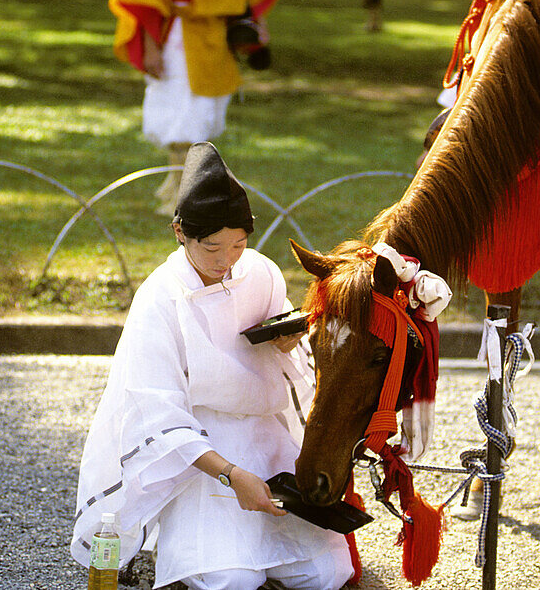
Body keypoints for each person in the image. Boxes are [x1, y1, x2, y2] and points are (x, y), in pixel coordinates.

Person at [72, 142, 354, 590]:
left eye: (239, 244)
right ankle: (166, 546)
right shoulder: (160, 297)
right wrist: (231, 473)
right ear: (180, 232)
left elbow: (292, 362)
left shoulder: (260, 273)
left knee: (327, 574)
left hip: (263, 436)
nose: (226, 261)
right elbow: (156, 409)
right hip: (198, 448)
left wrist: (286, 345)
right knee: (231, 581)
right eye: (212, 247)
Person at [108, 0, 288, 215]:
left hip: (217, 35)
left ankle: (179, 188)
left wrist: (258, 21)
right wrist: (149, 46)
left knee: (206, 115)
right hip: (178, 37)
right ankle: (180, 196)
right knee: (181, 112)